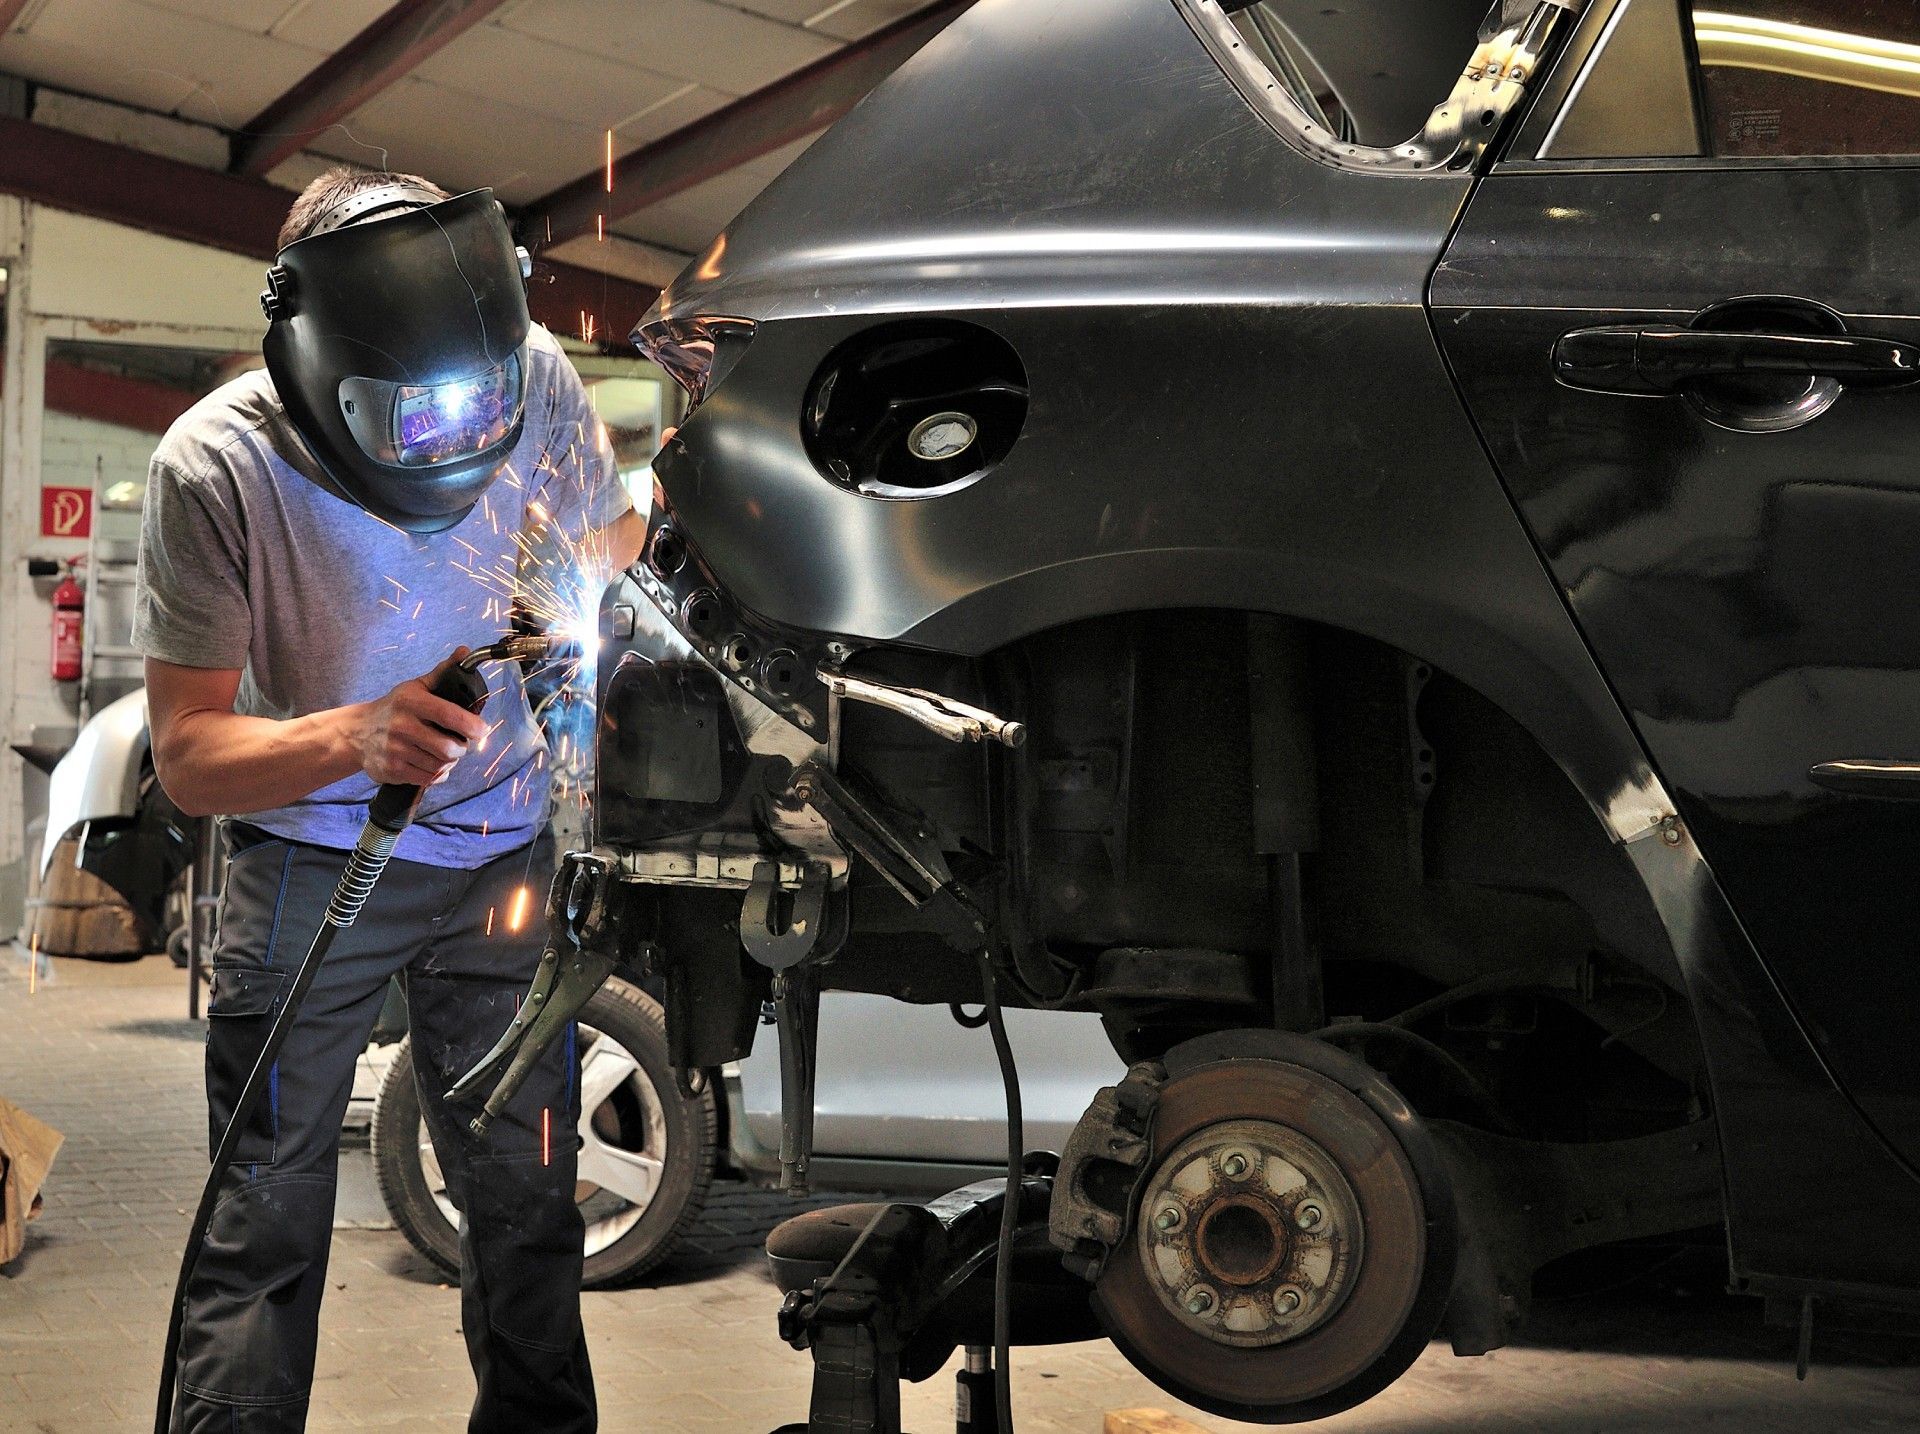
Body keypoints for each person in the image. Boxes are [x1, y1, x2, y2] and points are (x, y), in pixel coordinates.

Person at [136, 168, 644, 1433]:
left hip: (505, 860)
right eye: (407, 419)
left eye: (476, 407)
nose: (454, 441)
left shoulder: (532, 377)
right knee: (265, 1216)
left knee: (530, 1207)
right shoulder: (217, 464)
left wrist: (564, 598)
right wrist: (352, 737)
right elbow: (190, 757)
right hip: (318, 864)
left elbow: (603, 544)